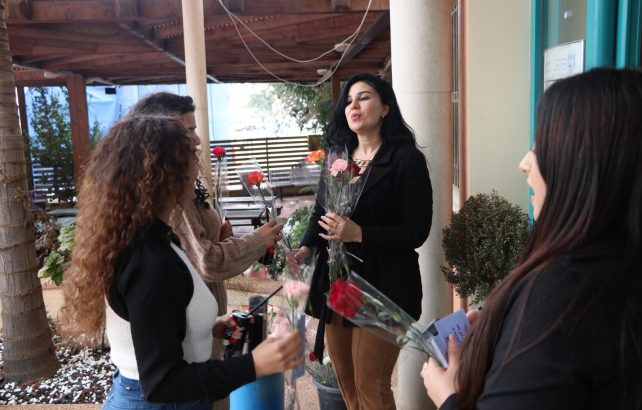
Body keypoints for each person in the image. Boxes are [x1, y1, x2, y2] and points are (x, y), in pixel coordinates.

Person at [423, 68, 642, 410]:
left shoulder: (562, 296)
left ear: (581, 167)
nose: (524, 163)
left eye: (540, 147)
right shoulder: (618, 268)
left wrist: (448, 396)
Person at [60, 116, 302, 409]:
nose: (196, 165)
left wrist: (207, 326)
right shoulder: (149, 262)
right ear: (166, 174)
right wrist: (255, 364)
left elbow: (154, 323)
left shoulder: (153, 238)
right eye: (190, 155)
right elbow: (163, 382)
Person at [291, 72, 433, 410]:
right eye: (349, 100)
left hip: (386, 287)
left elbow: (417, 230)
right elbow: (321, 212)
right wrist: (306, 247)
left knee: (371, 386)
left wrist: (360, 234)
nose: (354, 105)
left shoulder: (406, 160)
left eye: (364, 97)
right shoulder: (338, 158)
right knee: (348, 386)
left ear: (385, 108)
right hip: (338, 285)